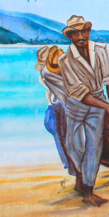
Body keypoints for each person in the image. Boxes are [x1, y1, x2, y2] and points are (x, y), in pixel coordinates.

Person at [59, 15, 109, 206]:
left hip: (98, 102)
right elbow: (80, 93)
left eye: (84, 32)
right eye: (75, 33)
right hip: (76, 105)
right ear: (70, 36)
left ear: (89, 32)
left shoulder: (102, 50)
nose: (80, 37)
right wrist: (107, 106)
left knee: (94, 147)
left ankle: (88, 190)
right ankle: (80, 177)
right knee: (73, 146)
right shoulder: (65, 60)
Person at [34, 45, 77, 179]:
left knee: (63, 141)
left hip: (52, 112)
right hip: (57, 111)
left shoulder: (46, 76)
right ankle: (72, 167)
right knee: (66, 140)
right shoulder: (55, 77)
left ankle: (70, 166)